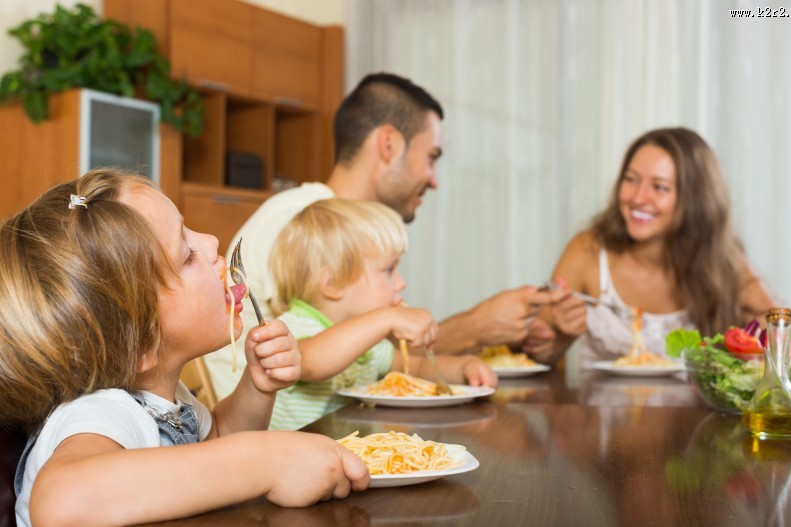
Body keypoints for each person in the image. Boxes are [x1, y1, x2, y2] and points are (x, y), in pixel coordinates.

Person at [0, 170, 369, 526]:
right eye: (187, 254)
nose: (210, 242)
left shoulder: (166, 399)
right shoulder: (102, 413)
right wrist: (262, 461)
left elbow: (219, 438)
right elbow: (63, 501)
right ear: (140, 342)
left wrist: (256, 387)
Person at [206, 72, 556, 400]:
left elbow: (384, 354)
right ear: (388, 144)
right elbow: (311, 354)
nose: (434, 180)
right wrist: (476, 327)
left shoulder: (355, 237)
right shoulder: (301, 225)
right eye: (431, 157)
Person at [539, 127, 775, 366]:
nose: (638, 198)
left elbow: (789, 346)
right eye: (631, 180)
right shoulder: (587, 250)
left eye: (659, 187)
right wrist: (558, 333)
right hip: (599, 405)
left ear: (695, 199)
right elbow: (534, 354)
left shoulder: (723, 261)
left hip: (694, 405)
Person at [268, 198, 498, 430]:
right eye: (389, 270)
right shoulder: (291, 329)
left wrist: (464, 368)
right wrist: (386, 318)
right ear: (333, 283)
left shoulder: (369, 344)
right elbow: (309, 363)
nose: (400, 283)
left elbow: (415, 369)